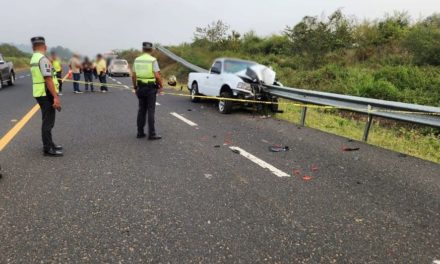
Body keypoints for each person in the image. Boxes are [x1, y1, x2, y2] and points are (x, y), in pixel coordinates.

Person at [30, 36, 63, 157]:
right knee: (48, 122)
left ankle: (50, 144)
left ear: (33, 47)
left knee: (47, 120)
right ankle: (48, 148)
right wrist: (55, 97)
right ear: (45, 47)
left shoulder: (34, 58)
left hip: (39, 92)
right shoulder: (43, 59)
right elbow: (48, 78)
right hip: (46, 93)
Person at [132, 42, 163, 140]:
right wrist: (161, 85)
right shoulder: (153, 60)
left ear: (142, 49)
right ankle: (152, 134)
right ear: (151, 50)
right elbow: (157, 75)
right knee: (150, 110)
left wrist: (135, 87)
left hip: (140, 87)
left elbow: (133, 76)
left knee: (141, 110)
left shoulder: (137, 60)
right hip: (150, 88)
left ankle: (140, 132)